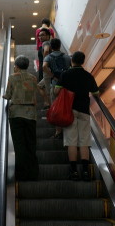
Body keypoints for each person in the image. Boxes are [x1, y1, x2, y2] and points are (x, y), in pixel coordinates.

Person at [54, 51, 99, 181]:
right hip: (84, 111)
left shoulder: (66, 74)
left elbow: (57, 91)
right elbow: (96, 92)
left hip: (70, 111)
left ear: (72, 60)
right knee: (84, 141)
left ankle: (73, 171)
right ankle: (85, 171)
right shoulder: (88, 75)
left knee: (71, 141)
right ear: (83, 62)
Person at [3, 55, 39, 181]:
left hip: (16, 114)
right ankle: (33, 173)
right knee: (31, 143)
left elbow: (7, 95)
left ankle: (22, 174)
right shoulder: (33, 78)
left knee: (19, 144)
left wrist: (4, 96)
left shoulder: (12, 77)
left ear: (16, 66)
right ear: (27, 66)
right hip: (31, 114)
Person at [43, 38, 71, 138]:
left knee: (56, 107)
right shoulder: (67, 57)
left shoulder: (48, 57)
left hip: (55, 84)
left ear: (51, 47)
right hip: (67, 86)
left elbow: (44, 67)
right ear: (60, 45)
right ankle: (68, 130)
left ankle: (58, 132)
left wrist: (52, 76)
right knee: (67, 106)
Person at [37, 40, 52, 109]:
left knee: (48, 90)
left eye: (42, 35)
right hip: (50, 72)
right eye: (39, 35)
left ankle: (50, 105)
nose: (40, 37)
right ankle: (47, 103)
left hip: (47, 72)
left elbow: (46, 51)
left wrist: (45, 58)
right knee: (40, 86)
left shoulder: (46, 43)